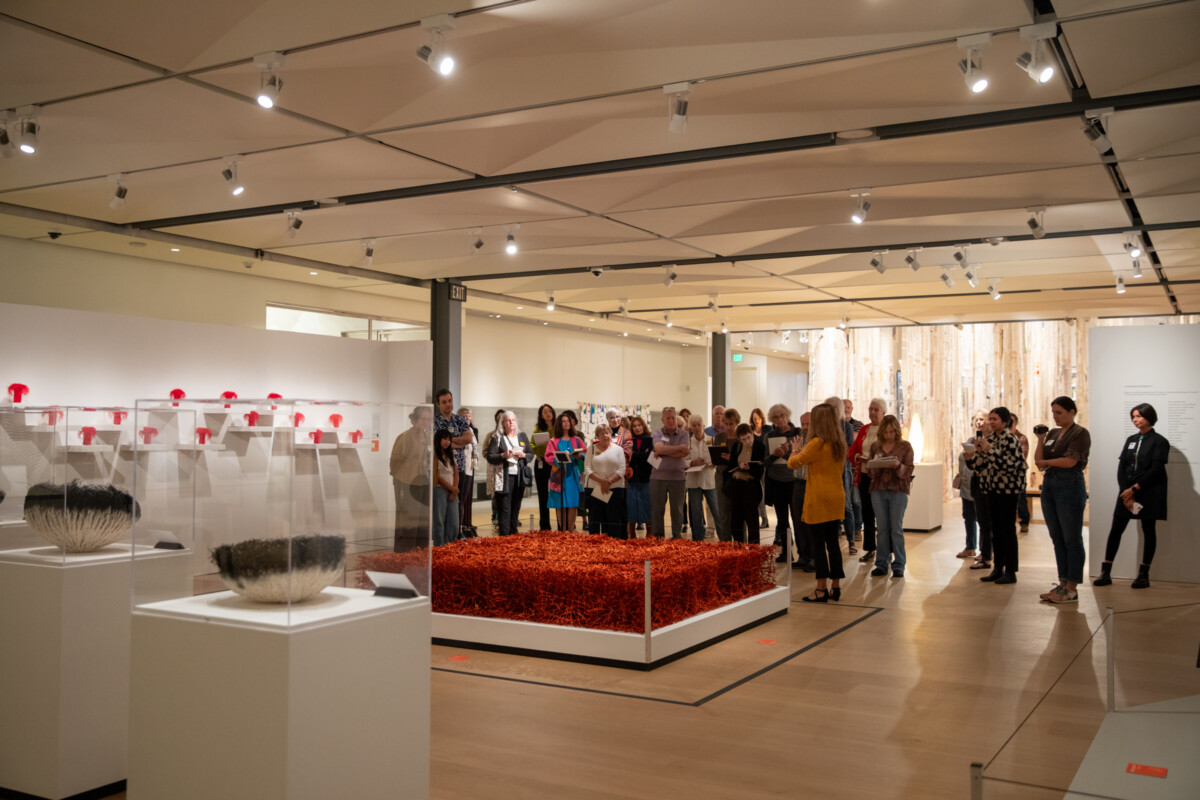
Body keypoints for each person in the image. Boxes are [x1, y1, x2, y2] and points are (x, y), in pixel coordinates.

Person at [1094, 403, 1169, 590]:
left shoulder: (1159, 441)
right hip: (1127, 492)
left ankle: (1144, 575)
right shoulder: (1131, 439)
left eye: (1139, 416)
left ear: (1149, 417)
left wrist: (1134, 489)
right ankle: (1106, 572)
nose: (1136, 420)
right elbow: (1122, 466)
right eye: (1133, 417)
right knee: (1116, 529)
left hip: (1149, 491)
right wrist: (1125, 492)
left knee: (1148, 530)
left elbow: (1156, 469)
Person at [1033, 396, 1092, 604]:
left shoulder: (1080, 433)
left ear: (1072, 412)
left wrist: (1048, 462)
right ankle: (1062, 582)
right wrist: (1040, 439)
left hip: (1069, 485)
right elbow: (1038, 460)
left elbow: (1070, 461)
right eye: (1053, 413)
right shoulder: (1053, 433)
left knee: (1071, 538)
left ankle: (1072, 587)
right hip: (1050, 485)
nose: (1055, 417)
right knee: (1057, 537)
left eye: (1059, 413)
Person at [788, 403, 848, 603]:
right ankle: (835, 587)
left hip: (819, 499)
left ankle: (821, 589)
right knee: (833, 544)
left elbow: (793, 463)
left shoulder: (816, 443)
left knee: (818, 547)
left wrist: (795, 450)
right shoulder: (839, 443)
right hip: (836, 497)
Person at [967, 407, 1026, 585]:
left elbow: (1010, 465)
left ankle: (1011, 571)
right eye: (990, 419)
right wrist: (974, 455)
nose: (991, 422)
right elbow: (979, 467)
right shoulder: (989, 439)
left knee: (1007, 531)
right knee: (996, 531)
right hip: (990, 490)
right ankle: (997, 568)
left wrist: (990, 450)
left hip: (1007, 491)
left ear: (1005, 422)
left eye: (995, 419)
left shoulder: (1011, 439)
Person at [865, 414, 915, 578]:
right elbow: (870, 471)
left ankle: (899, 565)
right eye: (885, 432)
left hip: (898, 491)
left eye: (891, 432)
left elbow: (909, 471)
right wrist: (877, 465)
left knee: (896, 529)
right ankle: (881, 564)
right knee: (882, 529)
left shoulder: (905, 447)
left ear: (896, 431)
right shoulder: (876, 446)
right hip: (878, 490)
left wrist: (898, 466)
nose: (888, 435)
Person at [848, 398, 886, 564]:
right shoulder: (865, 428)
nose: (873, 412)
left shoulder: (887, 429)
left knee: (882, 514)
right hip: (864, 475)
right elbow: (853, 449)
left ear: (883, 412)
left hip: (881, 477)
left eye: (876, 409)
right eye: (871, 409)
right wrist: (858, 457)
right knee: (867, 514)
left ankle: (885, 550)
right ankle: (870, 549)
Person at [389, 406, 433, 552]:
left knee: (422, 519)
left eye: (428, 419)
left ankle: (420, 551)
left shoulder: (427, 437)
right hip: (406, 482)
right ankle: (405, 552)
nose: (426, 422)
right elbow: (395, 462)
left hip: (423, 482)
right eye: (423, 419)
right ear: (414, 420)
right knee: (408, 520)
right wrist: (400, 483)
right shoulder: (405, 437)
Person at [763, 404, 803, 563]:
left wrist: (786, 454)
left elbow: (802, 458)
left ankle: (803, 554)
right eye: (776, 417)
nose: (780, 419)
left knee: (798, 519)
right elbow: (764, 461)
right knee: (782, 520)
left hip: (794, 481)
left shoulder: (797, 433)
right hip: (776, 482)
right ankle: (786, 553)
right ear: (772, 420)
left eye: (782, 415)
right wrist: (774, 455)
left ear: (788, 415)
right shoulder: (769, 436)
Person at [486, 411, 534, 537]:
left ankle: (514, 533)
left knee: (516, 506)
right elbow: (490, 457)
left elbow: (531, 454)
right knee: (504, 508)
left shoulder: (522, 436)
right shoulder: (497, 438)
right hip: (503, 477)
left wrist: (523, 455)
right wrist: (503, 455)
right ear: (503, 423)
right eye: (508, 420)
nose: (511, 422)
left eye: (513, 420)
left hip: (519, 477)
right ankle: (504, 535)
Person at [433, 389, 474, 531]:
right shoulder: (435, 421)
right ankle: (443, 536)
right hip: (443, 470)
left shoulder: (460, 420)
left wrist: (448, 441)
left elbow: (468, 439)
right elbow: (436, 442)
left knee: (458, 502)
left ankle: (457, 532)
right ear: (438, 404)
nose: (448, 404)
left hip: (460, 468)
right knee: (443, 504)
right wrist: (458, 442)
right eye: (444, 402)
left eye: (449, 401)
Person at [825, 396, 858, 555]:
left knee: (846, 507)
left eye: (833, 408)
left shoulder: (847, 427)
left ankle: (851, 541)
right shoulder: (823, 427)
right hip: (826, 472)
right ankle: (831, 540)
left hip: (843, 471)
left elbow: (848, 451)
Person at [650, 407, 690, 538]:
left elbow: (685, 452)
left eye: (673, 417)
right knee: (657, 509)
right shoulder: (657, 432)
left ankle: (676, 537)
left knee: (677, 510)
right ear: (663, 420)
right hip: (658, 477)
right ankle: (658, 537)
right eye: (668, 418)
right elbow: (659, 448)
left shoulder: (684, 434)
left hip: (678, 477)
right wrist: (678, 449)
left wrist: (663, 451)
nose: (671, 420)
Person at [724, 423, 766, 544]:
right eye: (743, 439)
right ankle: (739, 549)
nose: (748, 441)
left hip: (750, 486)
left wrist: (749, 468)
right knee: (736, 521)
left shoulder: (760, 447)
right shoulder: (736, 446)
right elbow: (731, 466)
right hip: (736, 485)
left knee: (752, 521)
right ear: (739, 439)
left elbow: (760, 471)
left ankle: (753, 551)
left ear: (752, 433)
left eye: (749, 437)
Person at [585, 422, 628, 538]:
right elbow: (587, 469)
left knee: (614, 518)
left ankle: (613, 543)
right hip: (595, 488)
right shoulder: (591, 449)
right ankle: (594, 543)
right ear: (597, 436)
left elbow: (622, 469)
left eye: (607, 433)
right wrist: (602, 481)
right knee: (595, 518)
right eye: (602, 433)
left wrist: (608, 481)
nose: (605, 435)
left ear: (611, 434)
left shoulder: (618, 450)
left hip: (615, 489)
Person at [545, 412, 585, 532]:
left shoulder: (577, 439)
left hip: (573, 474)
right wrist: (559, 458)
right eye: (563, 421)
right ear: (559, 424)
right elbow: (548, 457)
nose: (566, 423)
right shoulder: (553, 441)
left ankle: (571, 530)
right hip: (559, 476)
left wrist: (580, 456)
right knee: (560, 504)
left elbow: (585, 452)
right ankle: (563, 531)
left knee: (573, 503)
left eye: (568, 421)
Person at [966, 410, 994, 572]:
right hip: (977, 483)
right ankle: (984, 553)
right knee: (982, 521)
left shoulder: (993, 441)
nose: (979, 423)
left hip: (990, 484)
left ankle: (987, 556)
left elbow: (992, 462)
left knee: (988, 522)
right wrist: (968, 458)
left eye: (982, 419)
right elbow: (973, 466)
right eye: (976, 420)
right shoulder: (973, 440)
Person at [685, 414, 720, 542]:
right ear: (691, 428)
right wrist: (692, 462)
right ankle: (697, 539)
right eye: (694, 425)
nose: (697, 428)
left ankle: (724, 539)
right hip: (693, 482)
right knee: (696, 512)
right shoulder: (687, 443)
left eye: (699, 425)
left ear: (703, 426)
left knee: (716, 511)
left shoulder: (712, 440)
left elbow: (717, 459)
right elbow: (682, 461)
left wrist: (710, 463)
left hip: (709, 481)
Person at [710, 408, 739, 542]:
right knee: (723, 512)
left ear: (736, 423)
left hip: (737, 477)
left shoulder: (740, 438)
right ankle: (725, 541)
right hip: (721, 476)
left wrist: (731, 458)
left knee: (737, 512)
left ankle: (739, 542)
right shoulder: (719, 437)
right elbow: (716, 456)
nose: (728, 427)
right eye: (726, 424)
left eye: (731, 424)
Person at [790, 412, 814, 570]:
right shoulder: (799, 439)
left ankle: (814, 557)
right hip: (798, 483)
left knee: (810, 522)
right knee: (798, 522)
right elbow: (793, 461)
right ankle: (803, 556)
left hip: (811, 484)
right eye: (802, 424)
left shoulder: (817, 441)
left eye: (807, 424)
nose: (804, 427)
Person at [626, 416, 653, 538]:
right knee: (632, 505)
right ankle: (632, 533)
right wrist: (642, 455)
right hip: (631, 477)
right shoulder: (628, 441)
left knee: (646, 504)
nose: (637, 428)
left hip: (646, 476)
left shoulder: (650, 440)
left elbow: (649, 457)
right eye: (634, 426)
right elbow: (628, 457)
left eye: (639, 425)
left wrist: (634, 454)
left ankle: (649, 532)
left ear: (643, 426)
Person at [431, 429, 459, 546]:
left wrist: (454, 489)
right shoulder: (433, 455)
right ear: (438, 440)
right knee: (439, 520)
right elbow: (436, 476)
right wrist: (452, 489)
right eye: (444, 439)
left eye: (449, 439)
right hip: (439, 489)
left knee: (454, 522)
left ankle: (450, 545)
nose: (447, 442)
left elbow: (455, 473)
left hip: (452, 490)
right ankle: (439, 545)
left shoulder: (450, 455)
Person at [532, 404, 556, 531]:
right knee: (542, 495)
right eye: (545, 412)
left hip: (555, 464)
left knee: (557, 493)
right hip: (541, 462)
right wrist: (542, 446)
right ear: (541, 415)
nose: (548, 414)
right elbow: (531, 445)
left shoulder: (558, 428)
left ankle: (561, 524)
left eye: (549, 411)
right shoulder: (538, 429)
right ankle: (545, 526)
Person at [457, 406, 480, 536]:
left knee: (464, 501)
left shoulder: (471, 430)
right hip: (459, 469)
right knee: (459, 501)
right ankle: (458, 529)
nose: (468, 419)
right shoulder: (456, 430)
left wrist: (474, 461)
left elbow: (474, 449)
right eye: (465, 416)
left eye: (469, 416)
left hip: (469, 470)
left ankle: (462, 527)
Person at [1009, 413, 1031, 533]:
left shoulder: (1021, 438)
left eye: (1011, 421)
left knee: (1021, 498)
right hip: (1005, 475)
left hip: (1018, 473)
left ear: (1016, 422)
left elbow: (1022, 456)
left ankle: (1024, 521)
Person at [749, 408, 770, 528]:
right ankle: (762, 518)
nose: (756, 421)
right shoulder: (750, 431)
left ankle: (764, 518)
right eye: (754, 419)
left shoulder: (768, 429)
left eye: (758, 418)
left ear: (762, 418)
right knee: (757, 493)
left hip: (766, 465)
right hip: (755, 466)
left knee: (762, 492)